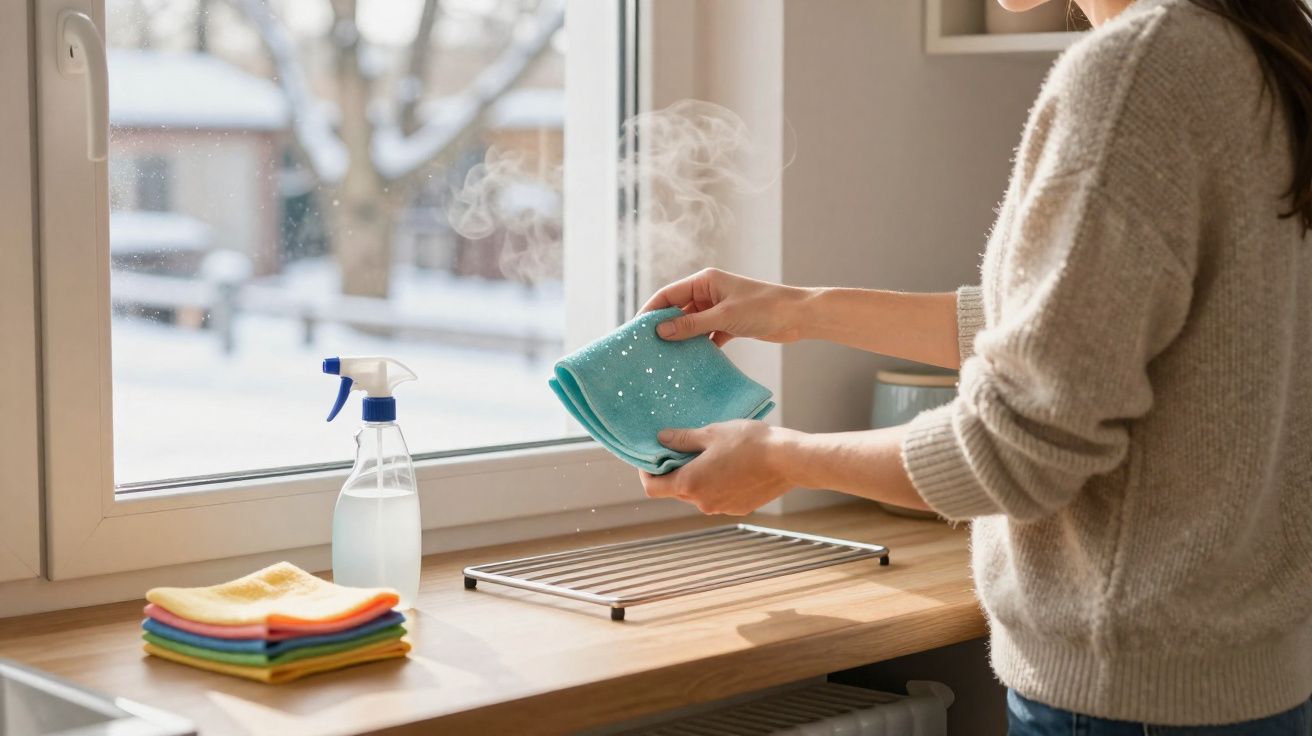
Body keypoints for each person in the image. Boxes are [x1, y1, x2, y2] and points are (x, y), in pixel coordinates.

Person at [637, 0, 1312, 733]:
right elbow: (1073, 333)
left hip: (1125, 700)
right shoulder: (1254, 53)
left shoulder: (1137, 72)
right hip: (1239, 688)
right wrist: (799, 309)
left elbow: (1015, 450)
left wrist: (780, 459)